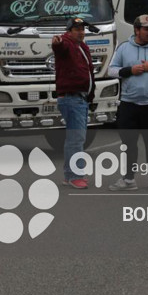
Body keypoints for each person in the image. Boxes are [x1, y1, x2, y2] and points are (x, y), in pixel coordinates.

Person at [107, 14, 148, 190]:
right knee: (129, 143)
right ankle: (128, 180)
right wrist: (129, 70)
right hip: (129, 104)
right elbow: (111, 70)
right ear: (137, 30)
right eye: (146, 29)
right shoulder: (123, 48)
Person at [52, 17, 96, 189]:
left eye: (82, 29)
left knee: (74, 138)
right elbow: (59, 46)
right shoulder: (68, 44)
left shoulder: (81, 47)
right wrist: (57, 43)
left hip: (80, 98)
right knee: (76, 139)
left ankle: (69, 175)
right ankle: (75, 176)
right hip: (72, 97)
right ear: (69, 32)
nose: (81, 32)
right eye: (77, 29)